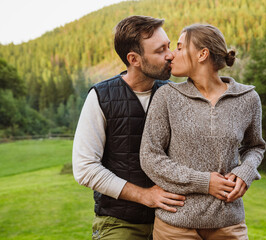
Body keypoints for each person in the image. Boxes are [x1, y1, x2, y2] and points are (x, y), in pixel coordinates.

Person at [140, 23, 266, 240]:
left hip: (229, 224)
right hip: (175, 225)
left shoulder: (248, 99)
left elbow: (255, 147)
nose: (171, 55)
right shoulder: (167, 97)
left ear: (202, 54)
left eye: (179, 47)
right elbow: (150, 157)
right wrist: (205, 183)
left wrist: (245, 173)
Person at [72, 15, 186, 240]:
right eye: (160, 50)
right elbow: (85, 168)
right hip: (119, 222)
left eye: (169, 46)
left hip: (173, 219)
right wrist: (145, 196)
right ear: (134, 59)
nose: (170, 55)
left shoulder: (176, 95)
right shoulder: (101, 97)